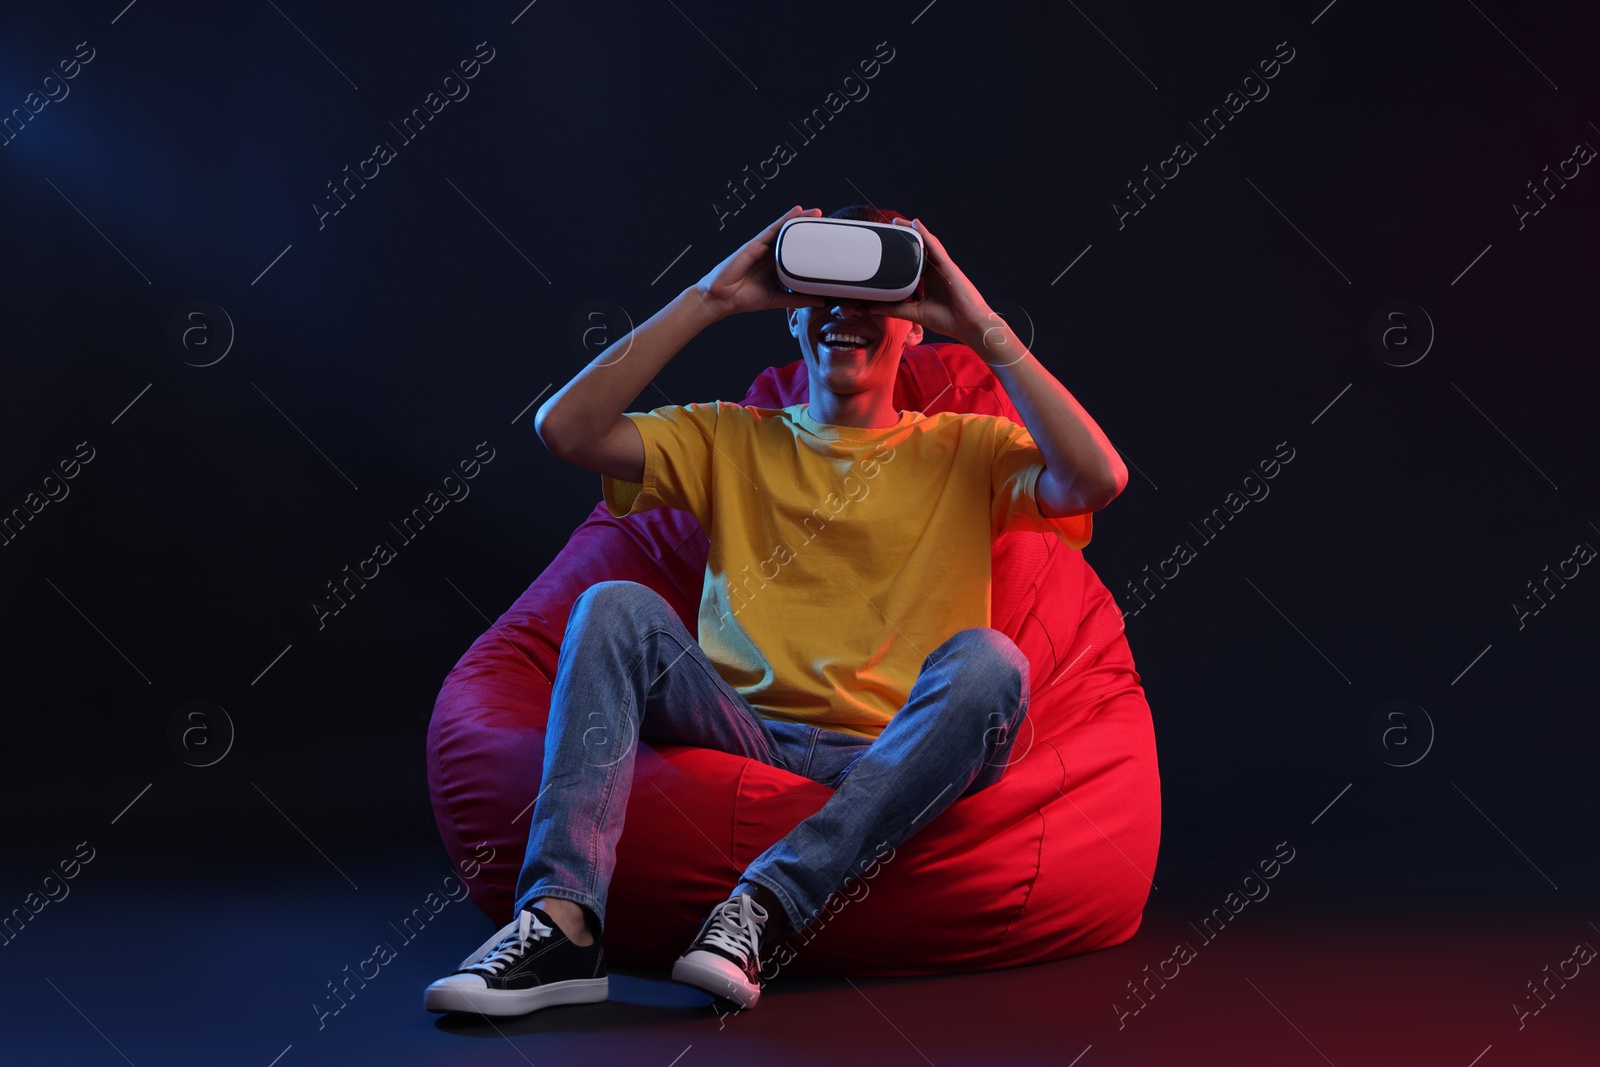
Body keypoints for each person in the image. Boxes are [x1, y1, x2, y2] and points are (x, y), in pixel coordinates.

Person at [423, 203, 1128, 1018]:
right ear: (791, 314)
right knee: (610, 606)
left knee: (992, 663)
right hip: (745, 731)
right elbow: (567, 428)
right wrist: (711, 298)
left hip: (895, 748)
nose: (846, 317)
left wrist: (981, 323)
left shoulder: (966, 448)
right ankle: (561, 926)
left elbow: (1096, 480)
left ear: (913, 327)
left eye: (875, 303)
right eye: (823, 297)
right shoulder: (732, 437)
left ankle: (762, 908)